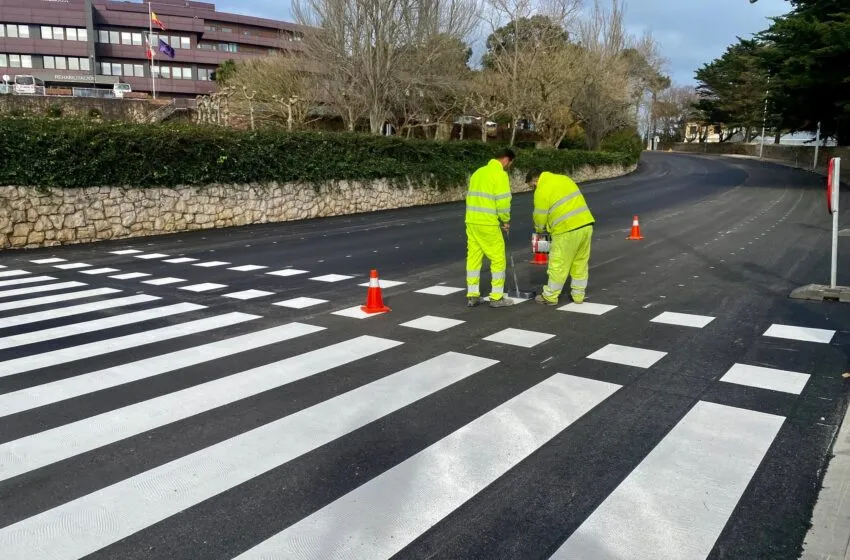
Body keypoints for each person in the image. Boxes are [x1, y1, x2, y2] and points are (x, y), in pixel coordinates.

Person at [526, 168, 595, 305]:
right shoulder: (564, 179)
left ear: (535, 180)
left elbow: (540, 216)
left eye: (532, 186)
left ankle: (550, 296)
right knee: (580, 262)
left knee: (558, 263)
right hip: (586, 225)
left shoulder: (542, 189)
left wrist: (539, 230)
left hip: (566, 229)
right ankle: (578, 295)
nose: (533, 189)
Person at [465, 148, 515, 308]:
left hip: (472, 221)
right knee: (498, 258)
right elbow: (503, 201)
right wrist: (505, 220)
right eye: (510, 163)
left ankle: (472, 295)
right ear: (506, 160)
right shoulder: (500, 175)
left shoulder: (478, 172)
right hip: (488, 223)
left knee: (473, 258)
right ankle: (496, 297)